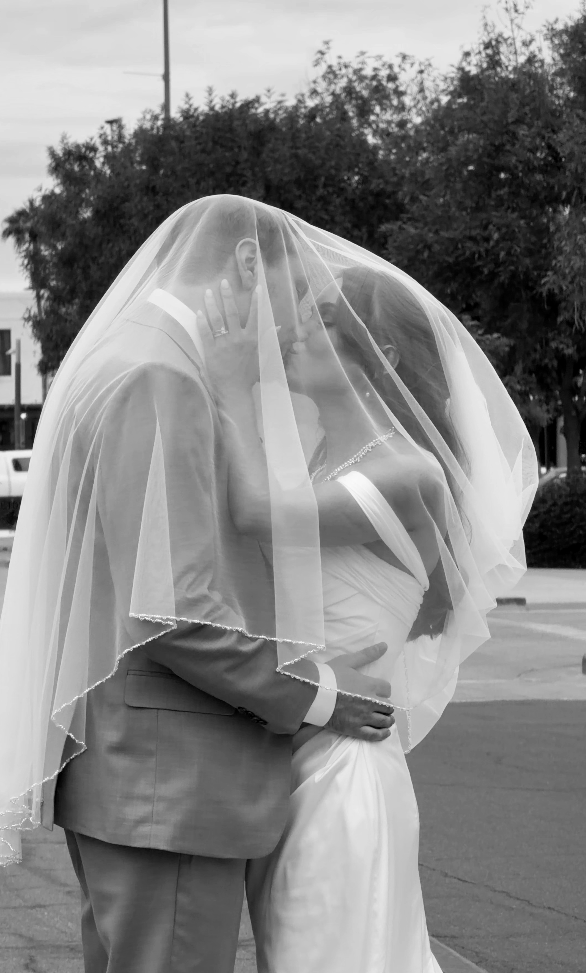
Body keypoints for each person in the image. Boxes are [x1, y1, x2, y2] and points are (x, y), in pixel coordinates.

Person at [0, 196, 399, 973]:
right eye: (296, 296)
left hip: (139, 777)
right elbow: (174, 612)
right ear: (249, 265)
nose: (293, 327)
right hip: (170, 786)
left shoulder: (135, 356)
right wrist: (321, 691)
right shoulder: (163, 375)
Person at [199, 217, 538, 971]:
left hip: (345, 773)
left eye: (321, 319)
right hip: (302, 752)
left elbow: (256, 516)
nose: (296, 330)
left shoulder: (405, 470)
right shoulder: (326, 455)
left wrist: (227, 379)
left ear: (375, 353)